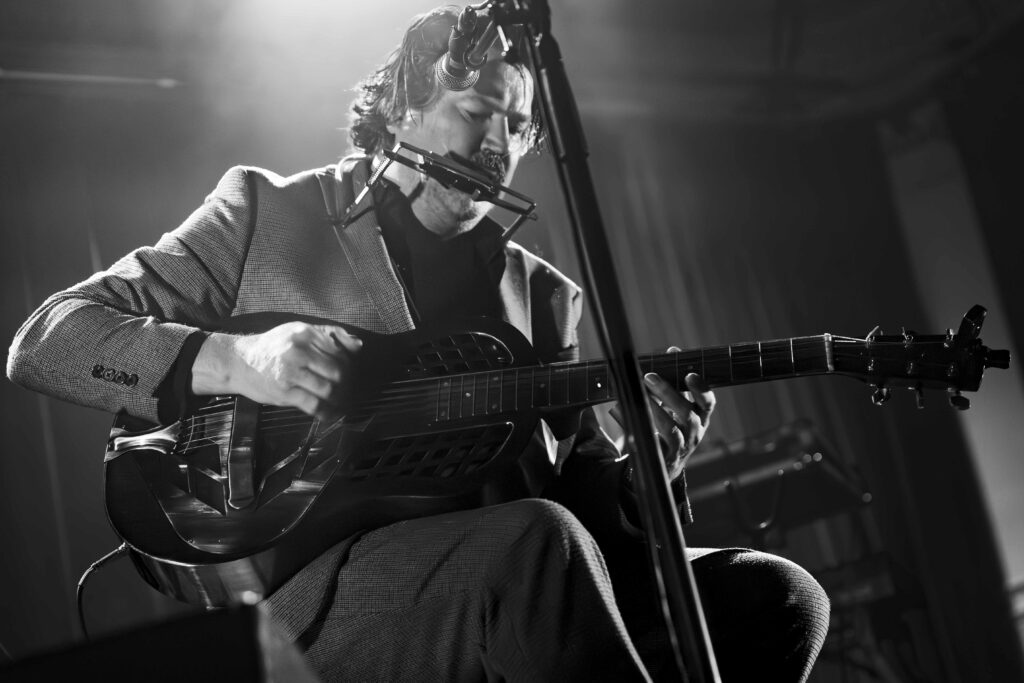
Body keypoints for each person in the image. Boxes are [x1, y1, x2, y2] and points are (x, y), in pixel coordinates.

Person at [7, 5, 829, 681]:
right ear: (402, 108)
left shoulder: (544, 298)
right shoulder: (265, 213)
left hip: (509, 571)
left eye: (518, 128)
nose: (499, 146)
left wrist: (643, 470)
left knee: (777, 595)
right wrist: (239, 359)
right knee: (535, 542)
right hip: (327, 596)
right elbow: (45, 340)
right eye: (476, 113)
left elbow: (581, 514)